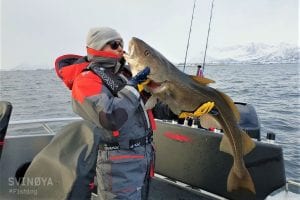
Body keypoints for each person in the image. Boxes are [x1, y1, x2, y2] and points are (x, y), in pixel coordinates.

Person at [70, 27, 155, 199]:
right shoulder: (86, 80)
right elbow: (110, 118)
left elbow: (148, 107)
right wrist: (133, 88)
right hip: (118, 163)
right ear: (97, 47)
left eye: (121, 44)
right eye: (114, 44)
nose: (120, 48)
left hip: (144, 157)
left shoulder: (125, 75)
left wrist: (183, 110)